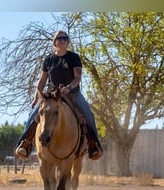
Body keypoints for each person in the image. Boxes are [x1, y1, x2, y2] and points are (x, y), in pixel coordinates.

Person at [14, 30, 103, 160]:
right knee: (32, 114)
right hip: (51, 95)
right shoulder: (49, 59)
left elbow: (77, 77)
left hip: (71, 94)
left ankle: (94, 145)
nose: (62, 40)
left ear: (67, 41)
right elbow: (43, 79)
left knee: (88, 114)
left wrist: (69, 87)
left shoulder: (74, 57)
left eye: (64, 38)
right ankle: (24, 144)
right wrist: (35, 98)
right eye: (59, 38)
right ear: (55, 41)